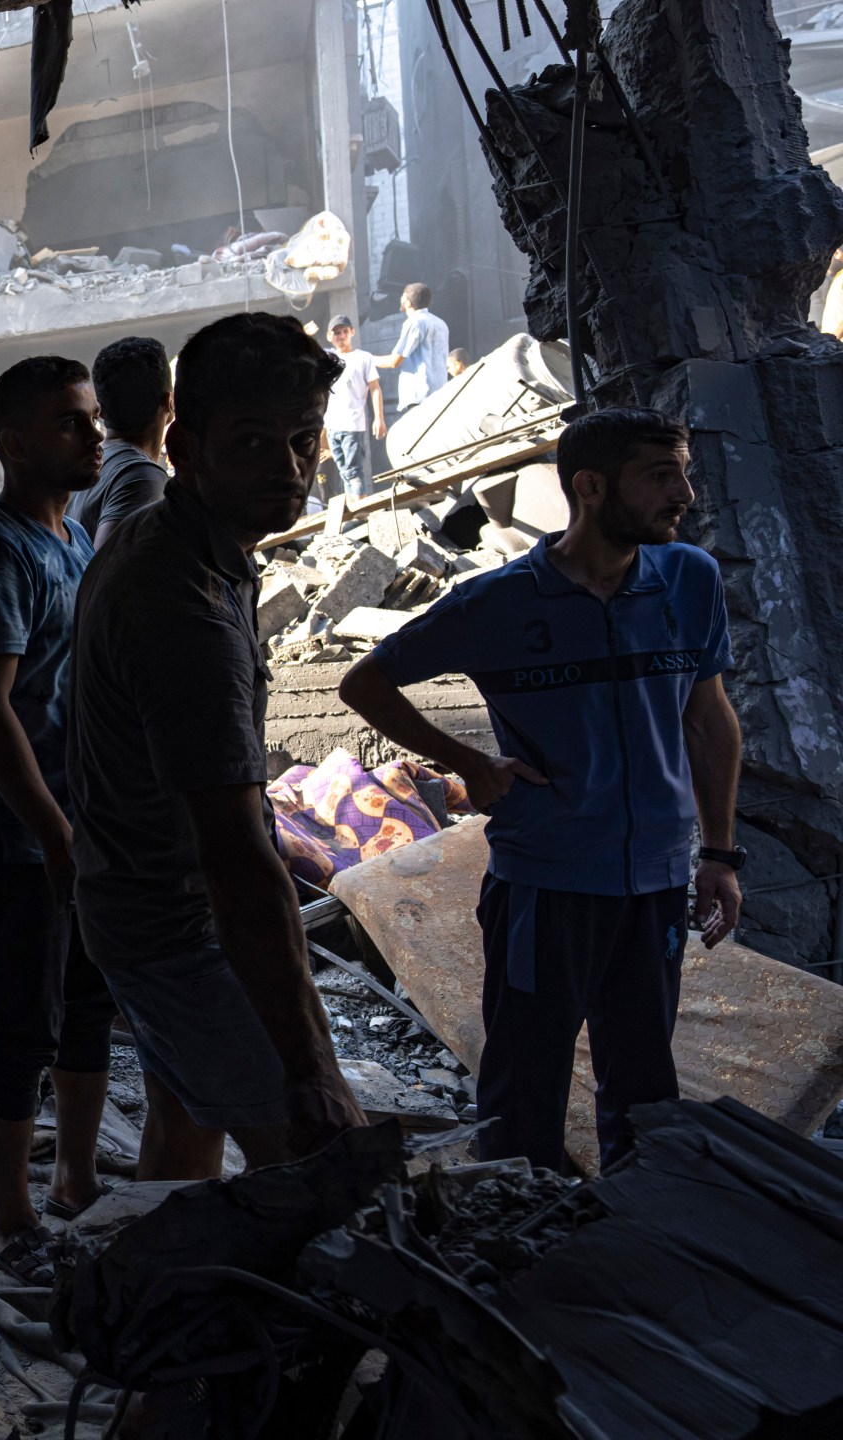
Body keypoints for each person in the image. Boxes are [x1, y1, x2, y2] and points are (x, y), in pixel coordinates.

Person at [337, 408, 742, 1173]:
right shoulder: (500, 602)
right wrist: (468, 761)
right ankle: (518, 1246)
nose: (684, 493)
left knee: (646, 1090)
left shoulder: (689, 580)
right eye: (661, 475)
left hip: (654, 883)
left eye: (682, 472)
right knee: (525, 1093)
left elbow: (709, 722)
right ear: (589, 487)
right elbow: (366, 682)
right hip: (545, 886)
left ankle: (634, 1240)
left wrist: (719, 854)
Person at [69, 311, 368, 1179]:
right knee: (311, 1164)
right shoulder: (183, 605)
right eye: (251, 443)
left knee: (186, 1133)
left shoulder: (174, 540)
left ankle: (166, 1297)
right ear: (186, 445)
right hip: (181, 926)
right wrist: (311, 1065)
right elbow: (236, 852)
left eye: (304, 441)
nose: (289, 470)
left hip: (134, 904)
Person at [0, 356, 113, 1283]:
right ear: (9, 440)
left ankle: (76, 1180)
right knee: (18, 1026)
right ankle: (11, 1218)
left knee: (87, 1007)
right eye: (68, 423)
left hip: (78, 827)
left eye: (90, 419)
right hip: (19, 840)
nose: (91, 436)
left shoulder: (72, 539)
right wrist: (50, 832)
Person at [71, 336, 171, 550]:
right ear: (169, 404)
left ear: (101, 409)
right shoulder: (142, 476)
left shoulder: (85, 467)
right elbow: (109, 574)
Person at [324, 316, 387, 500]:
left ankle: (361, 514)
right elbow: (303, 352)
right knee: (344, 472)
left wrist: (379, 417)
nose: (341, 336)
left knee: (353, 471)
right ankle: (356, 511)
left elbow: (375, 388)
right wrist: (305, 333)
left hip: (352, 424)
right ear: (330, 336)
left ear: (352, 332)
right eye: (336, 332)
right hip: (332, 425)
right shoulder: (328, 357)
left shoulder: (363, 358)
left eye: (344, 331)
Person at [374, 282, 452, 412]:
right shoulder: (441, 323)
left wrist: (368, 359)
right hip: (441, 393)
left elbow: (395, 361)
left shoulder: (414, 322)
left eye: (403, 296)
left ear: (409, 302)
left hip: (419, 397)